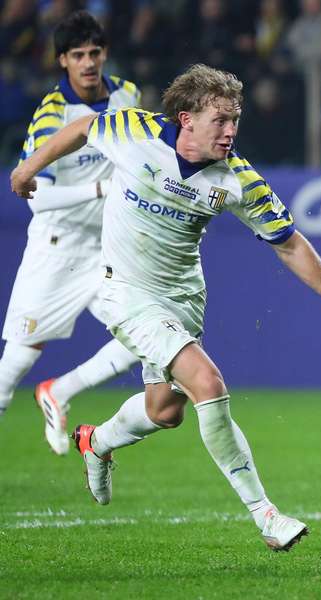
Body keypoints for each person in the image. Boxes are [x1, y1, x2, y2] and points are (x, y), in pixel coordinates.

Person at [10, 63, 321, 551]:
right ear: (186, 118)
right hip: (125, 291)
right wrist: (27, 169)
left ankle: (97, 441)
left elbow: (289, 243)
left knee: (165, 410)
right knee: (207, 384)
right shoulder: (136, 131)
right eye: (221, 120)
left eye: (236, 120)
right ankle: (266, 516)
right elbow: (84, 127)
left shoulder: (238, 179)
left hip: (184, 296)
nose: (231, 131)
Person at [0, 11, 140, 455]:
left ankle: (59, 392)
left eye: (94, 52)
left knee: (146, 338)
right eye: (77, 54)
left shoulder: (127, 95)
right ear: (62, 60)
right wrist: (100, 188)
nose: (87, 62)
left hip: (109, 247)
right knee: (17, 361)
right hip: (58, 247)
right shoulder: (51, 115)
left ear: (105, 54)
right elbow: (37, 198)